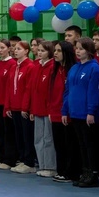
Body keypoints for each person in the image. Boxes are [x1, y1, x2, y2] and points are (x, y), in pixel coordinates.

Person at [62, 37, 99, 188]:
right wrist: (65, 110)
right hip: (75, 112)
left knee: (89, 145)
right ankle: (85, 172)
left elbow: (93, 92)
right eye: (76, 48)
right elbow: (68, 91)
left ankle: (93, 175)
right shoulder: (74, 68)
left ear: (89, 50)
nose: (77, 51)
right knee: (81, 145)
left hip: (86, 114)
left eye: (81, 48)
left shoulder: (94, 68)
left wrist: (91, 111)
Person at [49, 41, 80, 183]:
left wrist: (65, 112)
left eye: (59, 51)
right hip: (55, 112)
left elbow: (69, 93)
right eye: (55, 50)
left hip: (66, 113)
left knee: (69, 145)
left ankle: (71, 172)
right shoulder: (55, 70)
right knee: (59, 144)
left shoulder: (71, 70)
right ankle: (61, 170)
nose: (55, 53)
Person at [5, 41, 36, 174]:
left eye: (19, 49)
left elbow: (29, 89)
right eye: (15, 48)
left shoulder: (30, 66)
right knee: (18, 136)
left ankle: (29, 162)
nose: (15, 51)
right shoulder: (14, 67)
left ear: (26, 51)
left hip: (24, 109)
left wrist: (25, 107)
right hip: (14, 107)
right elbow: (9, 88)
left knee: (27, 135)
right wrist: (8, 106)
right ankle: (22, 160)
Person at [29, 41, 57, 177]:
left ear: (49, 52)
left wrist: (50, 110)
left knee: (48, 139)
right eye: (38, 50)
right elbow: (34, 91)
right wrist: (33, 110)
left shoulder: (52, 67)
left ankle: (50, 167)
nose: (39, 53)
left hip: (47, 110)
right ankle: (42, 165)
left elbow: (51, 91)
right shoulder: (37, 67)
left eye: (43, 51)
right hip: (37, 109)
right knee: (38, 139)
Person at [0, 39, 18, 170]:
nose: (0, 50)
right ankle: (1, 157)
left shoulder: (13, 64)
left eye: (2, 47)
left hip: (6, 104)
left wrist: (9, 104)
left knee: (8, 133)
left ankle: (9, 159)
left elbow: (10, 86)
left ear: (8, 49)